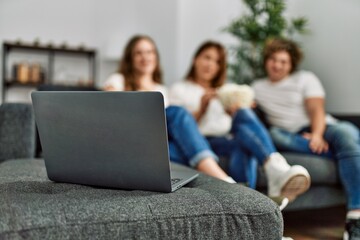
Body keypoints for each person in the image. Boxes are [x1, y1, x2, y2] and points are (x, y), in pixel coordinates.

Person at [169, 40, 310, 203]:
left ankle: (274, 168)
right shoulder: (179, 88)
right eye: (206, 58)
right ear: (196, 59)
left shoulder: (225, 90)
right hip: (197, 141)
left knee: (244, 119)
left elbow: (232, 124)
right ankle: (248, 198)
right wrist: (202, 107)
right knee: (180, 116)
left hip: (223, 140)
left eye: (217, 62)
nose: (210, 64)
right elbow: (177, 125)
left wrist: (233, 112)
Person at [252, 38, 360, 239]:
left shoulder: (305, 78)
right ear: (266, 61)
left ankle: (356, 216)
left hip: (324, 126)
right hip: (290, 136)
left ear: (291, 64)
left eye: (283, 61)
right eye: (273, 59)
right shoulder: (256, 87)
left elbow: (316, 109)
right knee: (274, 134)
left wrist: (317, 135)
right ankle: (345, 155)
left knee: (346, 135)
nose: (277, 65)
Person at [103, 34, 237, 184]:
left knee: (181, 146)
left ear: (155, 57)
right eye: (138, 53)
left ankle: (217, 175)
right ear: (130, 58)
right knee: (177, 112)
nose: (145, 57)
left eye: (149, 52)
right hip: (133, 138)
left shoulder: (162, 89)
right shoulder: (118, 80)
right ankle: (222, 178)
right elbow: (110, 107)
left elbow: (176, 128)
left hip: (157, 144)